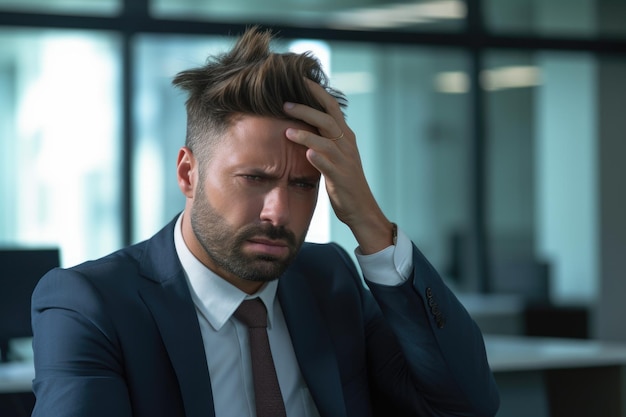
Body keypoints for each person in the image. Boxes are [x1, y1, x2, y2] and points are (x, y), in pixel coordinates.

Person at [31, 27, 499, 417]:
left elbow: (467, 404)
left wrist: (372, 226)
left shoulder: (329, 280)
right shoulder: (90, 304)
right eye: (254, 178)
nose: (278, 213)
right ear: (188, 174)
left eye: (302, 185)